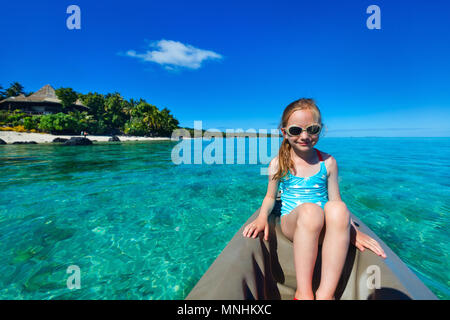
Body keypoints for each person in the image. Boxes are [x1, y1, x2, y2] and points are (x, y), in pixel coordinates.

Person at [242, 98, 386, 300]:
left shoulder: (328, 162)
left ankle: (326, 294)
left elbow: (336, 200)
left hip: (323, 225)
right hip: (296, 223)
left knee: (339, 208)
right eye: (295, 130)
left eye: (312, 129)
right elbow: (269, 197)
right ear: (284, 133)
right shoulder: (278, 163)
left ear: (320, 130)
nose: (304, 136)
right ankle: (304, 293)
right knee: (310, 212)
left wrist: (351, 230)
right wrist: (262, 217)